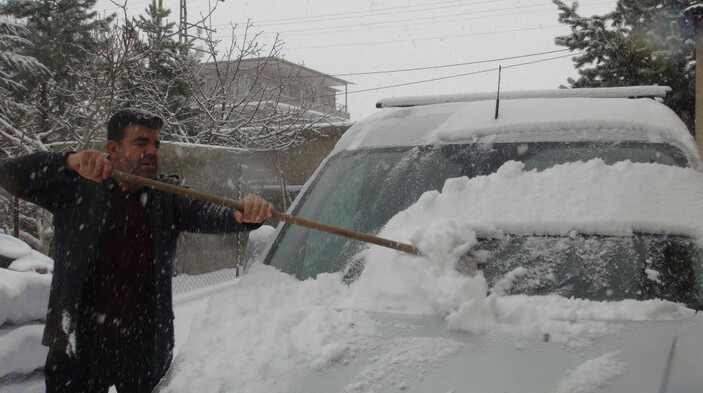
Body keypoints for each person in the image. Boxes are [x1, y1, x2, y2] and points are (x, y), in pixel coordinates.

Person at [0, 108, 274, 393]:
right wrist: (69, 161)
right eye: (141, 143)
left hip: (144, 346)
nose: (152, 151)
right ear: (112, 149)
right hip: (76, 344)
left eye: (156, 144)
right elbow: (8, 175)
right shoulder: (77, 188)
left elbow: (211, 212)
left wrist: (242, 214)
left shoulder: (166, 196)